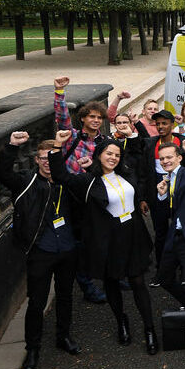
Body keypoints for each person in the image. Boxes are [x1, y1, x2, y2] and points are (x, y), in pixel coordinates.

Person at [50, 132, 159, 354]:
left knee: (138, 282)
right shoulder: (88, 181)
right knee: (112, 282)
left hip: (133, 233)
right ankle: (121, 322)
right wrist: (57, 147)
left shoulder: (126, 174)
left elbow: (136, 193)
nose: (113, 158)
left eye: (117, 154)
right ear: (99, 154)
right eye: (109, 153)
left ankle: (150, 330)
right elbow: (62, 176)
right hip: (110, 238)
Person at [0, 131, 82, 369]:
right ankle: (32, 349)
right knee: (37, 302)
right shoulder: (26, 181)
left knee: (65, 296)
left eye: (51, 157)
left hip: (67, 248)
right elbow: (2, 174)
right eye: (42, 157)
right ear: (36, 160)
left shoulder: (66, 180)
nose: (47, 161)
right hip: (40, 250)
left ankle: (63, 336)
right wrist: (11, 146)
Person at [51, 75, 116, 303]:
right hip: (71, 196)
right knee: (78, 243)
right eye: (92, 116)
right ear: (84, 118)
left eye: (100, 117)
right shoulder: (73, 138)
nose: (96, 120)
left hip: (94, 196)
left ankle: (112, 277)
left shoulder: (105, 142)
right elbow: (61, 119)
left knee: (100, 238)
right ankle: (87, 286)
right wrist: (60, 92)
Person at [143, 135, 185, 310]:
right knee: (164, 278)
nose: (165, 161)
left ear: (179, 158)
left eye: (169, 157)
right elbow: (170, 210)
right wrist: (162, 196)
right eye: (162, 158)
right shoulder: (167, 179)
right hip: (174, 235)